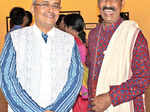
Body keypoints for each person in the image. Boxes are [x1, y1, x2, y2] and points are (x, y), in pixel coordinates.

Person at [0, 0, 83, 112]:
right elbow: (7, 78)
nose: (51, 9)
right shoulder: (15, 38)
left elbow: (75, 79)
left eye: (56, 6)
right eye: (45, 4)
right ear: (33, 8)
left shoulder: (69, 41)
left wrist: (56, 109)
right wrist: (34, 110)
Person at [87, 0, 150, 112]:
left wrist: (110, 97)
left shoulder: (134, 36)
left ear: (122, 3)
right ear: (98, 3)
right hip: (95, 106)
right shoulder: (93, 35)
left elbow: (143, 78)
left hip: (124, 105)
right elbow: (92, 74)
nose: (108, 4)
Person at [64, 14, 88, 112]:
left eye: (65, 26)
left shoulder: (71, 42)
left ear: (69, 27)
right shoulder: (81, 41)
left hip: (77, 86)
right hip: (84, 83)